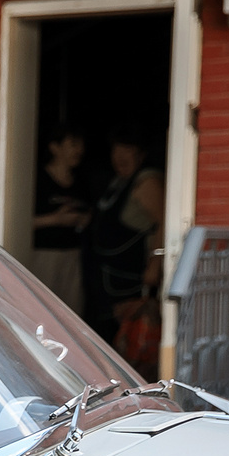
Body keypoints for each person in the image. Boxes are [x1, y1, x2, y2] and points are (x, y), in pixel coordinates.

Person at [83, 136, 164, 353]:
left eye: (127, 150)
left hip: (129, 279)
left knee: (125, 338)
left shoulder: (147, 182)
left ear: (141, 154)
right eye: (116, 150)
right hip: (106, 276)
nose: (120, 157)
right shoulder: (118, 182)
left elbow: (164, 223)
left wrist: (155, 263)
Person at [28, 131, 91, 313]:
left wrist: (84, 219)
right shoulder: (37, 180)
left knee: (71, 311)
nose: (79, 150)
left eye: (81, 145)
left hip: (73, 255)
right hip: (44, 254)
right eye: (73, 144)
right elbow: (19, 223)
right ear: (54, 147)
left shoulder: (81, 181)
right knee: (41, 309)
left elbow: (90, 211)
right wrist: (56, 219)